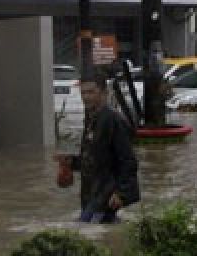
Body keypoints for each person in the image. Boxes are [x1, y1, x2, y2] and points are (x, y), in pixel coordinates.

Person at [57, 71, 140, 223]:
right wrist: (71, 162)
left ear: (104, 93)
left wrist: (122, 193)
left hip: (105, 196)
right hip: (92, 195)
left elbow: (128, 160)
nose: (86, 97)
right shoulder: (91, 119)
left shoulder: (113, 120)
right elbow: (95, 159)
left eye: (91, 92)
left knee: (86, 230)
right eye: (83, 92)